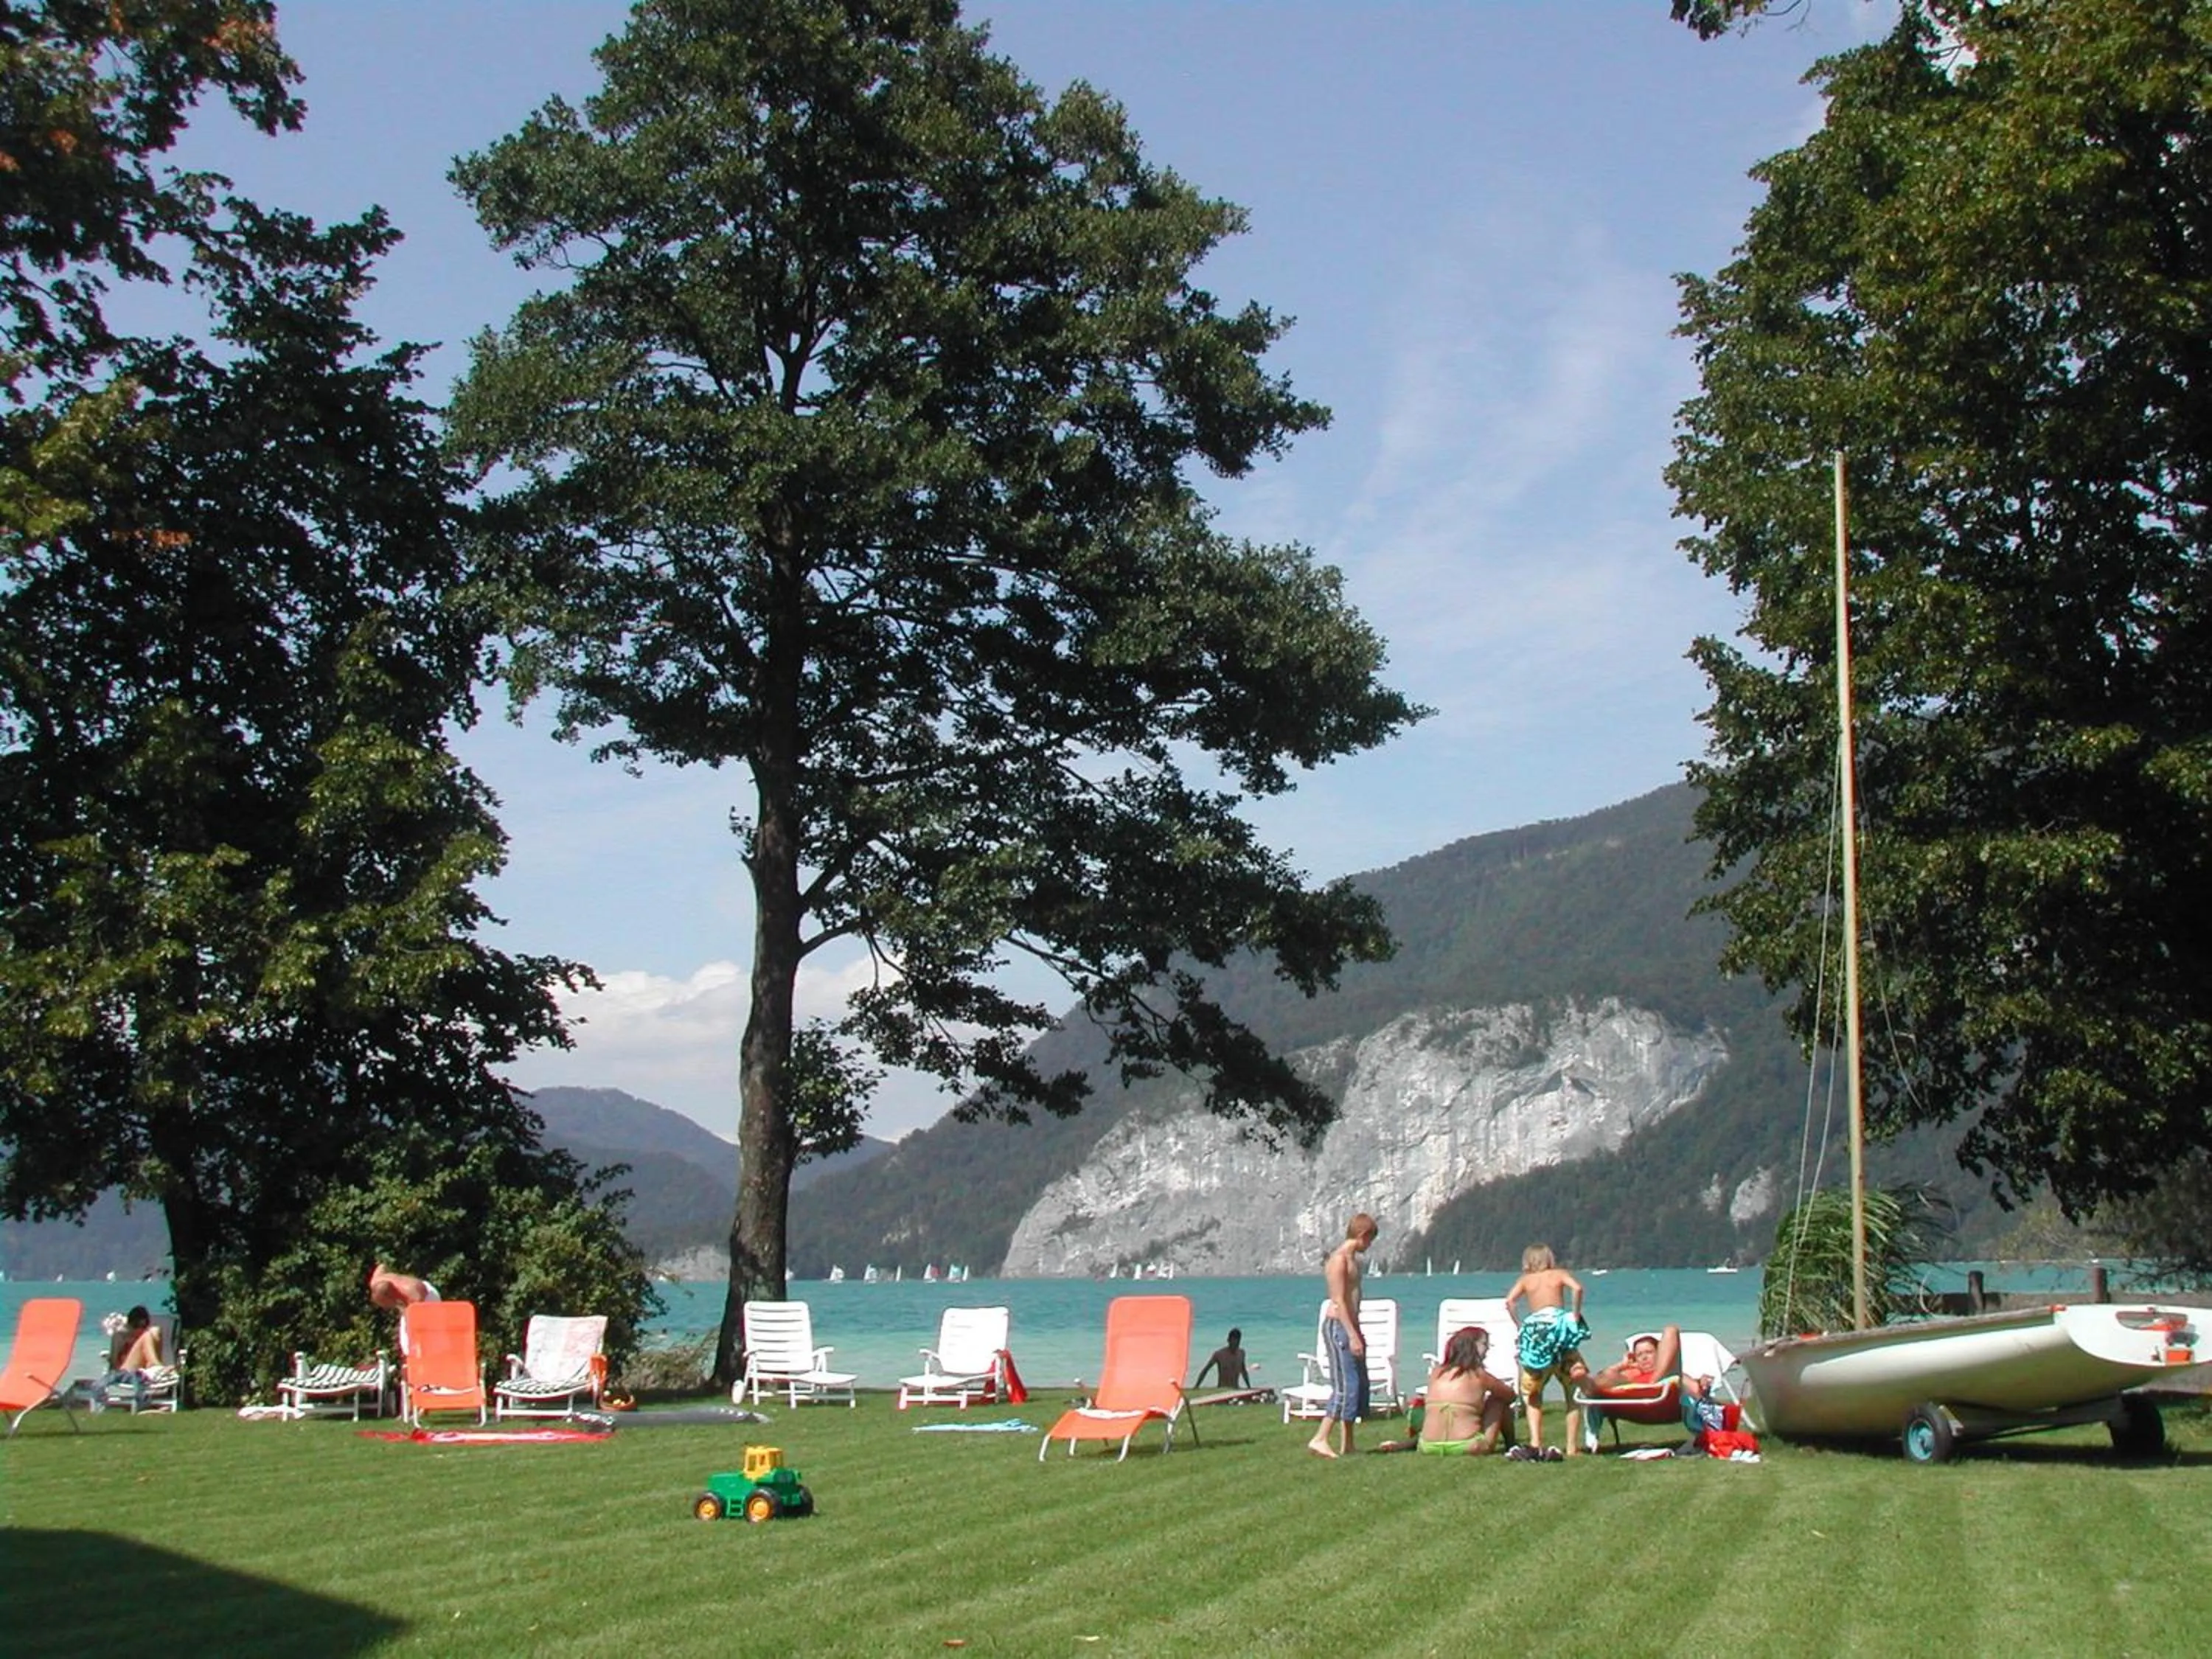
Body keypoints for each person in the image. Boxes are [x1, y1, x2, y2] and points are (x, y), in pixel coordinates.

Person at [1503, 1242, 1589, 1458]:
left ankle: (1535, 1443)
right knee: (1572, 1392)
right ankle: (1571, 1446)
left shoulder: (1526, 1280)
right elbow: (1578, 1288)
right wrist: (1575, 1314)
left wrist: (1520, 1325)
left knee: (1533, 1394)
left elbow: (1510, 1301)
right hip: (1559, 1333)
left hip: (1537, 1334)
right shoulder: (1559, 1274)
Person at [1306, 1211, 1378, 1459]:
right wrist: (1351, 1334)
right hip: (1338, 1327)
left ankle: (1348, 1443)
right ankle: (1320, 1437)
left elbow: (1354, 1299)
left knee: (1357, 1385)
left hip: (1350, 1326)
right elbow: (1339, 1300)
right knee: (1345, 1386)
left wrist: (1358, 1332)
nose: (1369, 1246)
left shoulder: (1353, 1260)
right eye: (1370, 1240)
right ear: (1362, 1235)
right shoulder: (1339, 1261)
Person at [1413, 1325, 1514, 1455]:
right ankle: (1512, 1445)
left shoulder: (1437, 1373)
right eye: (1485, 1344)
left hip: (1428, 1446)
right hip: (1468, 1445)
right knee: (1498, 1400)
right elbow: (1511, 1396)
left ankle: (1415, 1442)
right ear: (1473, 1347)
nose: (1488, 1349)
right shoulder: (1479, 1375)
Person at [91, 1305, 165, 1412]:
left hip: (145, 1371)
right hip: (126, 1372)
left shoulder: (149, 1335)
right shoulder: (121, 1335)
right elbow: (114, 1363)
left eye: (143, 1327)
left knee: (155, 1331)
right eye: (138, 1327)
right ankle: (158, 1367)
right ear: (131, 1325)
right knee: (149, 1335)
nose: (140, 1330)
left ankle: (156, 1367)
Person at [1193, 1327, 1252, 1392]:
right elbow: (1206, 1370)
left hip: (1235, 1389)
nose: (1236, 1344)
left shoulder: (1241, 1353)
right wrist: (1197, 1386)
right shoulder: (1219, 1354)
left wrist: (1249, 1387)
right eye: (1234, 1341)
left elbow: (1244, 1372)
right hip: (1222, 1390)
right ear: (1228, 1340)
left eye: (1238, 1342)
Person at [367, 1261, 440, 1310]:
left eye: (385, 1303)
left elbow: (417, 1310)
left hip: (427, 1297)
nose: (385, 1308)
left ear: (390, 1295)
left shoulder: (412, 1294)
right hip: (411, 1299)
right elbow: (382, 1265)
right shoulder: (375, 1281)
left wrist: (403, 1309)